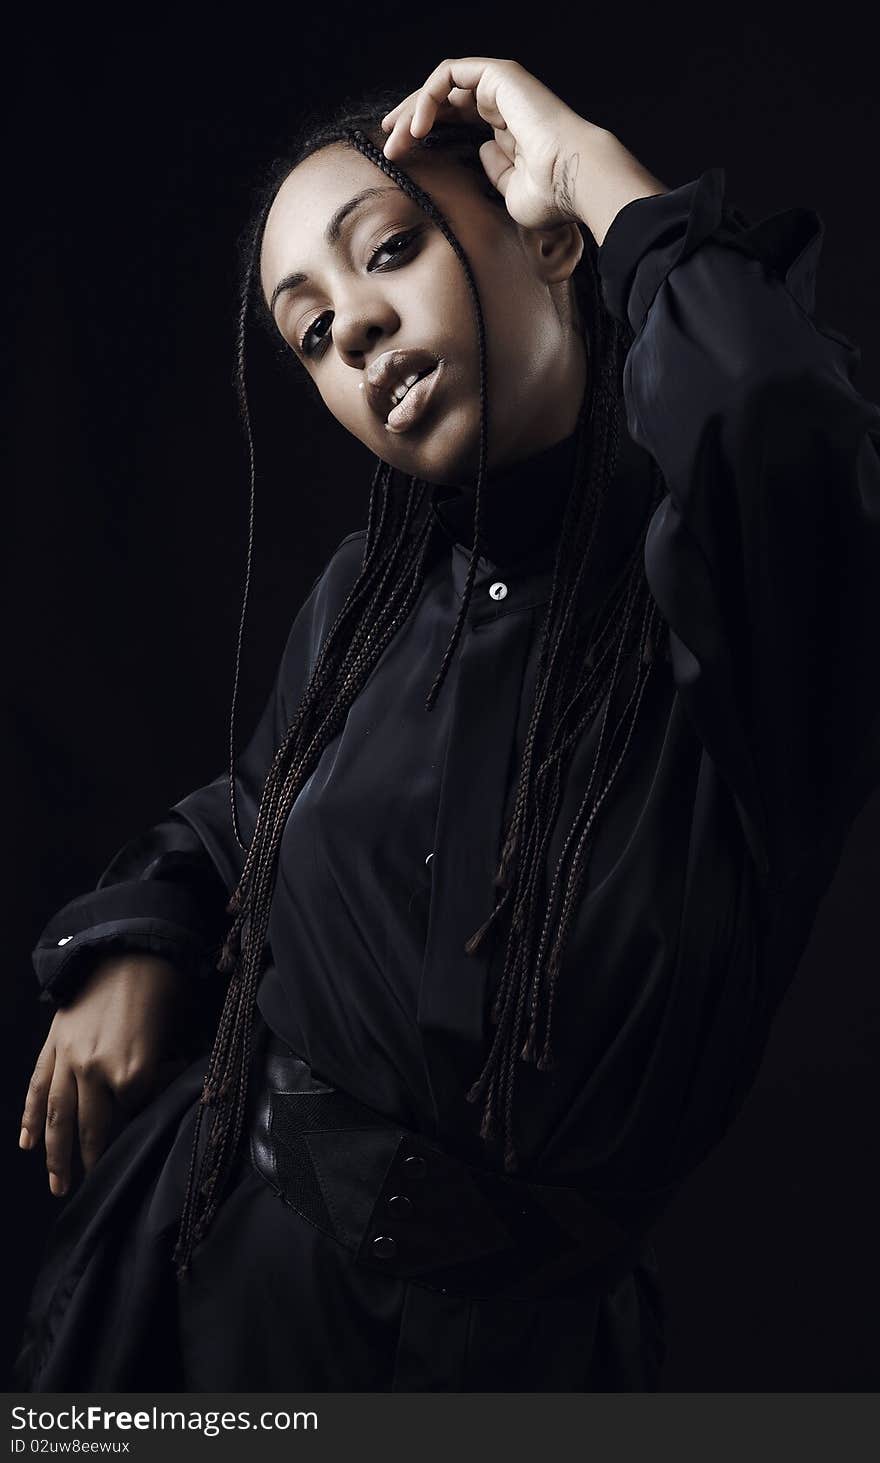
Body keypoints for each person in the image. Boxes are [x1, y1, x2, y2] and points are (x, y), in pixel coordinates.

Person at [14, 56, 880, 1392]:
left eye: (390, 252)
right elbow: (255, 819)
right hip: (236, 1286)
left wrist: (583, 162)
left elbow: (780, 420)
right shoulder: (369, 600)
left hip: (525, 1364)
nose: (354, 332)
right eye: (310, 332)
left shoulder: (734, 599)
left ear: (545, 241)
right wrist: (139, 945)